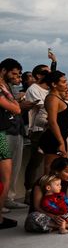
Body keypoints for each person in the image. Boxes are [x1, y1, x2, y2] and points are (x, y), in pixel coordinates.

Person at [0, 58, 29, 223]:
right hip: (2, 134)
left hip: (7, 132)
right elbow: (16, 108)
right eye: (14, 73)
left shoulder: (5, 87)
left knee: (8, 173)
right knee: (4, 175)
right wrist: (11, 95)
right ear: (3, 70)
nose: (17, 77)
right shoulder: (2, 89)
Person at [22, 62, 52, 197]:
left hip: (52, 129)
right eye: (47, 73)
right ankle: (30, 191)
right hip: (39, 130)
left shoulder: (51, 89)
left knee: (51, 161)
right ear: (39, 75)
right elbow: (44, 107)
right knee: (36, 162)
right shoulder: (33, 89)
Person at [39, 70, 68, 174]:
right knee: (51, 170)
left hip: (60, 137)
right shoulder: (52, 99)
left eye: (66, 81)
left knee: (58, 170)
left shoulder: (57, 97)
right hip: (54, 139)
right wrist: (61, 142)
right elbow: (52, 121)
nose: (66, 84)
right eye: (63, 82)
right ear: (54, 84)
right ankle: (44, 190)